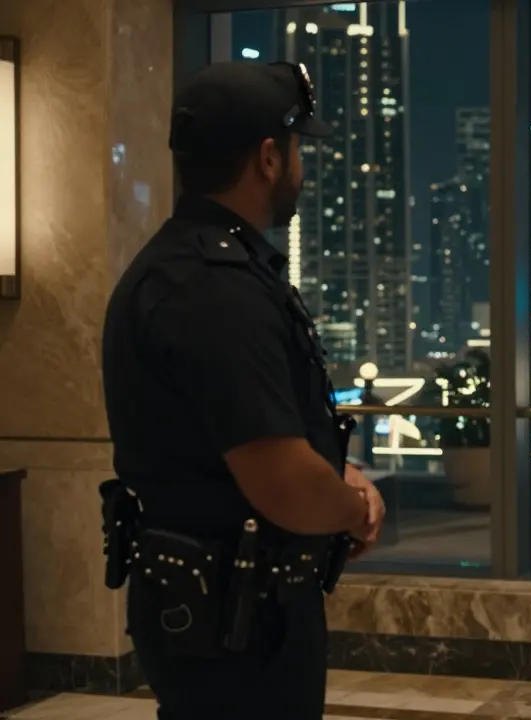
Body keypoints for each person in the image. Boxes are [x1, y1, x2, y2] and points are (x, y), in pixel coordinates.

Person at [100, 61, 387, 719]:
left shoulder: (194, 267)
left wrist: (336, 477)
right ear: (267, 157)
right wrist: (354, 508)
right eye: (296, 151)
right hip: (236, 624)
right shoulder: (214, 289)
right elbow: (280, 481)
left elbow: (231, 441)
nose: (301, 170)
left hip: (224, 611)